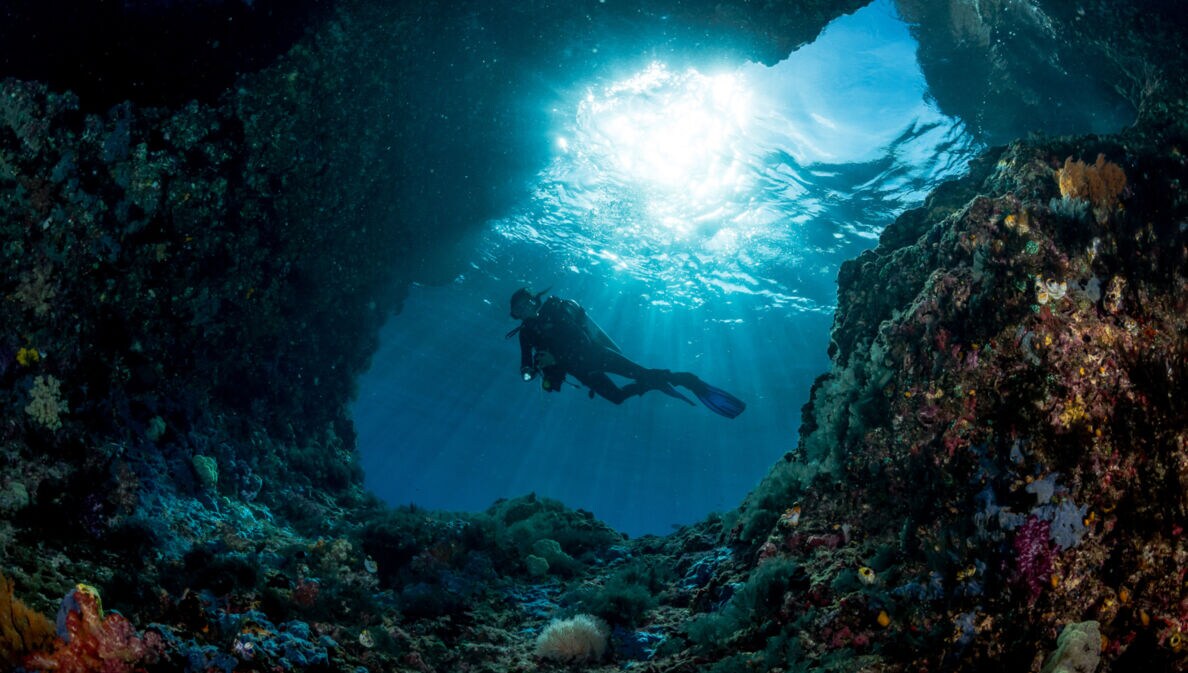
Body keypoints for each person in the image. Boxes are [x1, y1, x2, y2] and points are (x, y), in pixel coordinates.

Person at [506, 287, 746, 418]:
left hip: (596, 354)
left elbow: (579, 338)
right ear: (515, 315)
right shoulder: (526, 334)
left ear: (534, 300)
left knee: (641, 374)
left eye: (526, 302)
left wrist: (555, 358)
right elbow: (525, 360)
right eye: (519, 308)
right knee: (618, 398)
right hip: (580, 370)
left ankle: (685, 379)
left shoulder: (556, 310)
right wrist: (529, 370)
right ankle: (656, 383)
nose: (525, 308)